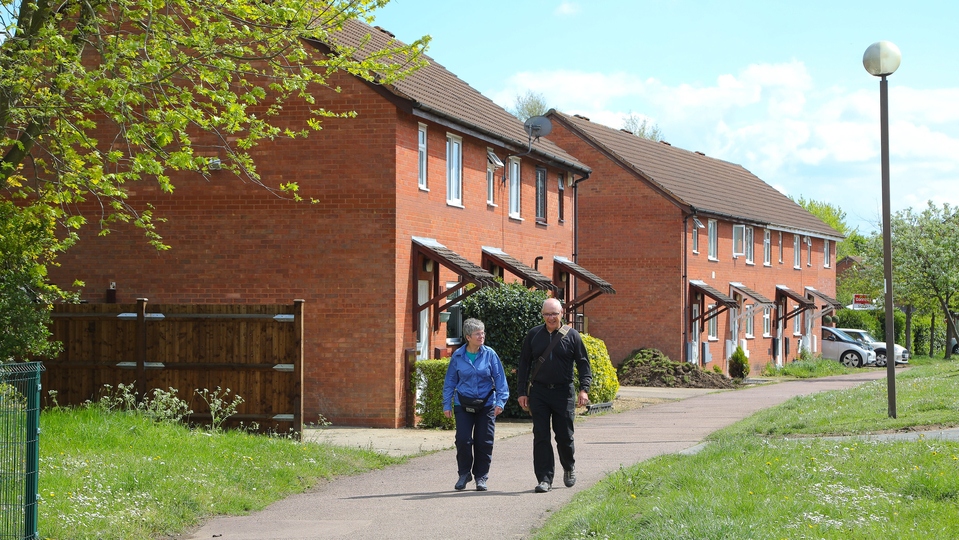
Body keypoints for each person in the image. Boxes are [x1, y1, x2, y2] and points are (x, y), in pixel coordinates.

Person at [517, 298, 591, 493]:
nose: (551, 317)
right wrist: (522, 393)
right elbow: (524, 364)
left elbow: (583, 363)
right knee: (541, 436)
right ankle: (544, 479)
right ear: (542, 315)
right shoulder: (534, 335)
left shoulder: (572, 335)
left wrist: (584, 389)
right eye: (547, 314)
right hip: (539, 392)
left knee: (565, 436)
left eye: (554, 314)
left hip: (563, 392)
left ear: (561, 314)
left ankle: (569, 467)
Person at [442, 318, 509, 491]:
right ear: (468, 337)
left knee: (484, 441)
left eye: (483, 333)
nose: (482, 336)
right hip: (463, 403)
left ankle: (481, 477)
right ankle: (464, 474)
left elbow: (500, 380)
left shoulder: (490, 354)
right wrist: (446, 405)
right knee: (463, 440)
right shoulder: (457, 356)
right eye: (477, 334)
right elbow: (450, 381)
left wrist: (500, 402)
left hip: (486, 404)